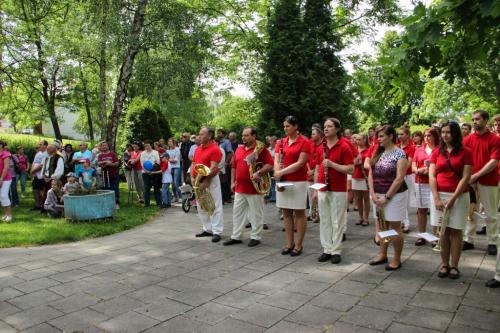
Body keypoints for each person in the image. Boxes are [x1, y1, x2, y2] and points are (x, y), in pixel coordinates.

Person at [429, 121, 472, 280]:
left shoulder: (466, 151)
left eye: (448, 132)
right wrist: (436, 198)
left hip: (459, 196)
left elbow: (466, 176)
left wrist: (454, 198)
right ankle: (444, 264)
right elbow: (432, 175)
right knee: (443, 231)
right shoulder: (436, 152)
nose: (445, 135)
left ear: (455, 134)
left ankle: (454, 265)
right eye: (443, 132)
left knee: (456, 230)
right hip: (439, 195)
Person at [313, 118, 354, 264]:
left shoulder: (344, 146)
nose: (326, 129)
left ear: (336, 129)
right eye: (324, 126)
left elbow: (350, 168)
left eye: (329, 126)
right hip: (323, 187)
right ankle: (326, 249)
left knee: (337, 221)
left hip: (338, 189)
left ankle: (336, 250)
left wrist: (332, 164)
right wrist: (315, 189)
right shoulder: (320, 147)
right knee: (324, 220)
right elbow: (318, 168)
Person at [224, 127, 274, 247]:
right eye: (243, 135)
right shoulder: (239, 149)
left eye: (246, 135)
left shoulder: (261, 149)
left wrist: (259, 173)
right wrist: (232, 182)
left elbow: (270, 164)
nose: (243, 137)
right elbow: (234, 167)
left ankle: (255, 237)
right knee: (237, 213)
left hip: (255, 188)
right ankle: (236, 236)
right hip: (240, 187)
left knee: (256, 213)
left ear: (254, 136)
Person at [368, 125, 409, 271]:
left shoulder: (400, 154)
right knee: (382, 224)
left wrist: (386, 197)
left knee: (395, 227)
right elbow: (371, 174)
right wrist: (372, 193)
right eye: (378, 136)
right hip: (377, 195)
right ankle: (382, 254)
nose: (378, 139)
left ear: (391, 136)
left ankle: (396, 259)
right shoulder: (378, 152)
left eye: (382, 136)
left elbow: (399, 178)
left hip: (395, 195)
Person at [463, 110, 500, 256]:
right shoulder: (468, 140)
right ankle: (469, 239)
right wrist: (468, 178)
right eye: (473, 119)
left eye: (477, 119)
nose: (474, 122)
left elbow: (494, 161)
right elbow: (463, 160)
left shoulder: (495, 139)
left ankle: (492, 241)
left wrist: (476, 175)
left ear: (485, 120)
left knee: (491, 214)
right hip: (470, 182)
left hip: (488, 181)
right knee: (470, 212)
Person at [274, 116, 312, 256]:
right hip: (283, 180)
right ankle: (289, 243)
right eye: (284, 126)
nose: (285, 129)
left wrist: (281, 171)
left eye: (288, 126)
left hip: (298, 181)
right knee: (286, 213)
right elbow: (277, 159)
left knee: (299, 213)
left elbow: (301, 163)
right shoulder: (281, 142)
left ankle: (298, 245)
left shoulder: (305, 142)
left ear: (296, 127)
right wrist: (277, 173)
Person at [191, 127, 224, 243]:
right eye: (199, 134)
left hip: (211, 180)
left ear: (209, 136)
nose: (199, 136)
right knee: (201, 205)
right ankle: (207, 229)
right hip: (198, 180)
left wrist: (206, 181)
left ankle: (217, 231)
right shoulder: (198, 149)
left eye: (202, 134)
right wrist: (192, 177)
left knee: (214, 205)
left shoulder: (215, 149)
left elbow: (213, 167)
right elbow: (193, 163)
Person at [413, 128, 440, 246]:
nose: (426, 138)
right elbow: (413, 164)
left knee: (435, 210)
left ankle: (436, 236)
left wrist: (428, 170)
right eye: (425, 135)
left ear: (435, 136)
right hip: (420, 182)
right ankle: (422, 235)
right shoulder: (419, 149)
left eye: (429, 135)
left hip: (435, 183)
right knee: (421, 210)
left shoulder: (440, 149)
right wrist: (417, 170)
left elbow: (441, 165)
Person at [398, 126, 416, 233]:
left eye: (402, 134)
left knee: (406, 199)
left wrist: (401, 171)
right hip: (397, 175)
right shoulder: (396, 146)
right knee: (399, 198)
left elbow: (409, 163)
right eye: (399, 134)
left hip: (407, 176)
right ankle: (402, 221)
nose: (399, 136)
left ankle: (406, 222)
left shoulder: (411, 148)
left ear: (407, 135)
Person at [352, 133, 371, 226]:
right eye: (356, 139)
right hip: (355, 175)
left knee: (366, 198)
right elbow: (350, 162)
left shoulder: (368, 150)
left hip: (365, 177)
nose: (357, 141)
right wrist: (355, 162)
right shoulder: (354, 150)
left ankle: (366, 218)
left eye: (359, 139)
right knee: (358, 198)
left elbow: (370, 163)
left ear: (364, 140)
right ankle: (360, 217)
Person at [307, 124, 324, 223]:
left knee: (319, 195)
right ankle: (312, 213)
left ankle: (318, 213)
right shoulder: (310, 144)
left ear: (319, 135)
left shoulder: (323, 145)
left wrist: (314, 171)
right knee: (311, 195)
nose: (311, 135)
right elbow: (306, 159)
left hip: (318, 173)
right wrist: (309, 170)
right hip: (309, 174)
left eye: (313, 134)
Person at [97, 141, 120, 209]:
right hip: (104, 175)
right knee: (106, 189)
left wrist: (110, 164)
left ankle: (116, 203)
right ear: (101, 147)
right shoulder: (100, 155)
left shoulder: (112, 154)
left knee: (115, 188)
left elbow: (117, 163)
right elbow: (99, 163)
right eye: (102, 145)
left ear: (108, 146)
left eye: (105, 145)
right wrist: (105, 162)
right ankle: (108, 203)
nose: (104, 147)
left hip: (114, 174)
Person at [140, 140, 162, 207]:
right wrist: (146, 170)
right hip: (145, 173)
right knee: (146, 188)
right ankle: (146, 204)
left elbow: (157, 162)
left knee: (156, 188)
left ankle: (158, 203)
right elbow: (142, 163)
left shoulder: (155, 152)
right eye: (145, 146)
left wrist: (152, 170)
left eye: (148, 145)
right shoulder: (143, 153)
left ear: (151, 145)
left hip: (154, 172)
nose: (147, 147)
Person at [217, 129, 234, 204]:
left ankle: (228, 197)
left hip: (224, 163)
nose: (218, 134)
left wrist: (226, 162)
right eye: (217, 133)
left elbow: (230, 152)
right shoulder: (219, 142)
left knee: (225, 181)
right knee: (222, 181)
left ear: (223, 134)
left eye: (220, 133)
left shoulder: (226, 142)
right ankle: (223, 197)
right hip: (219, 163)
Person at [30, 140, 48, 210]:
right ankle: (37, 205)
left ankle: (43, 205)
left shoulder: (47, 154)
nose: (39, 146)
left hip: (42, 175)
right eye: (39, 144)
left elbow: (42, 165)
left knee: (42, 191)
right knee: (35, 190)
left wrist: (33, 171)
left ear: (45, 145)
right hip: (36, 175)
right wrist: (32, 172)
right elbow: (34, 163)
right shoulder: (38, 153)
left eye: (40, 144)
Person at [0, 141, 13, 222]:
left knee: (4, 196)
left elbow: (6, 168)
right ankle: (5, 214)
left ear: (1, 145)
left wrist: (1, 179)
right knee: (1, 197)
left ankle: (9, 215)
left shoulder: (6, 154)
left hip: (6, 178)